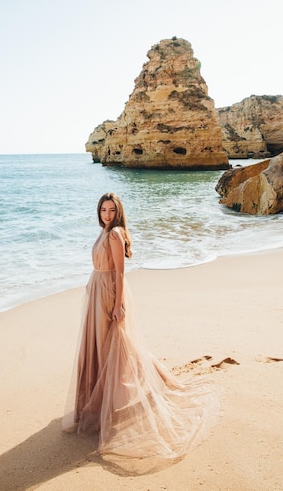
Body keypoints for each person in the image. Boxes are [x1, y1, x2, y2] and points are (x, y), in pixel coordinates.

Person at [62, 192, 221, 471]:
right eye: (103, 210)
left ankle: (121, 396)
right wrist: (91, 286)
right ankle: (98, 401)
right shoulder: (105, 232)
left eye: (112, 210)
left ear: (118, 212)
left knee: (113, 345)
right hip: (97, 291)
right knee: (102, 345)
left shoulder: (115, 235)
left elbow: (120, 272)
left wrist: (119, 304)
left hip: (110, 294)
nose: (107, 215)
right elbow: (100, 267)